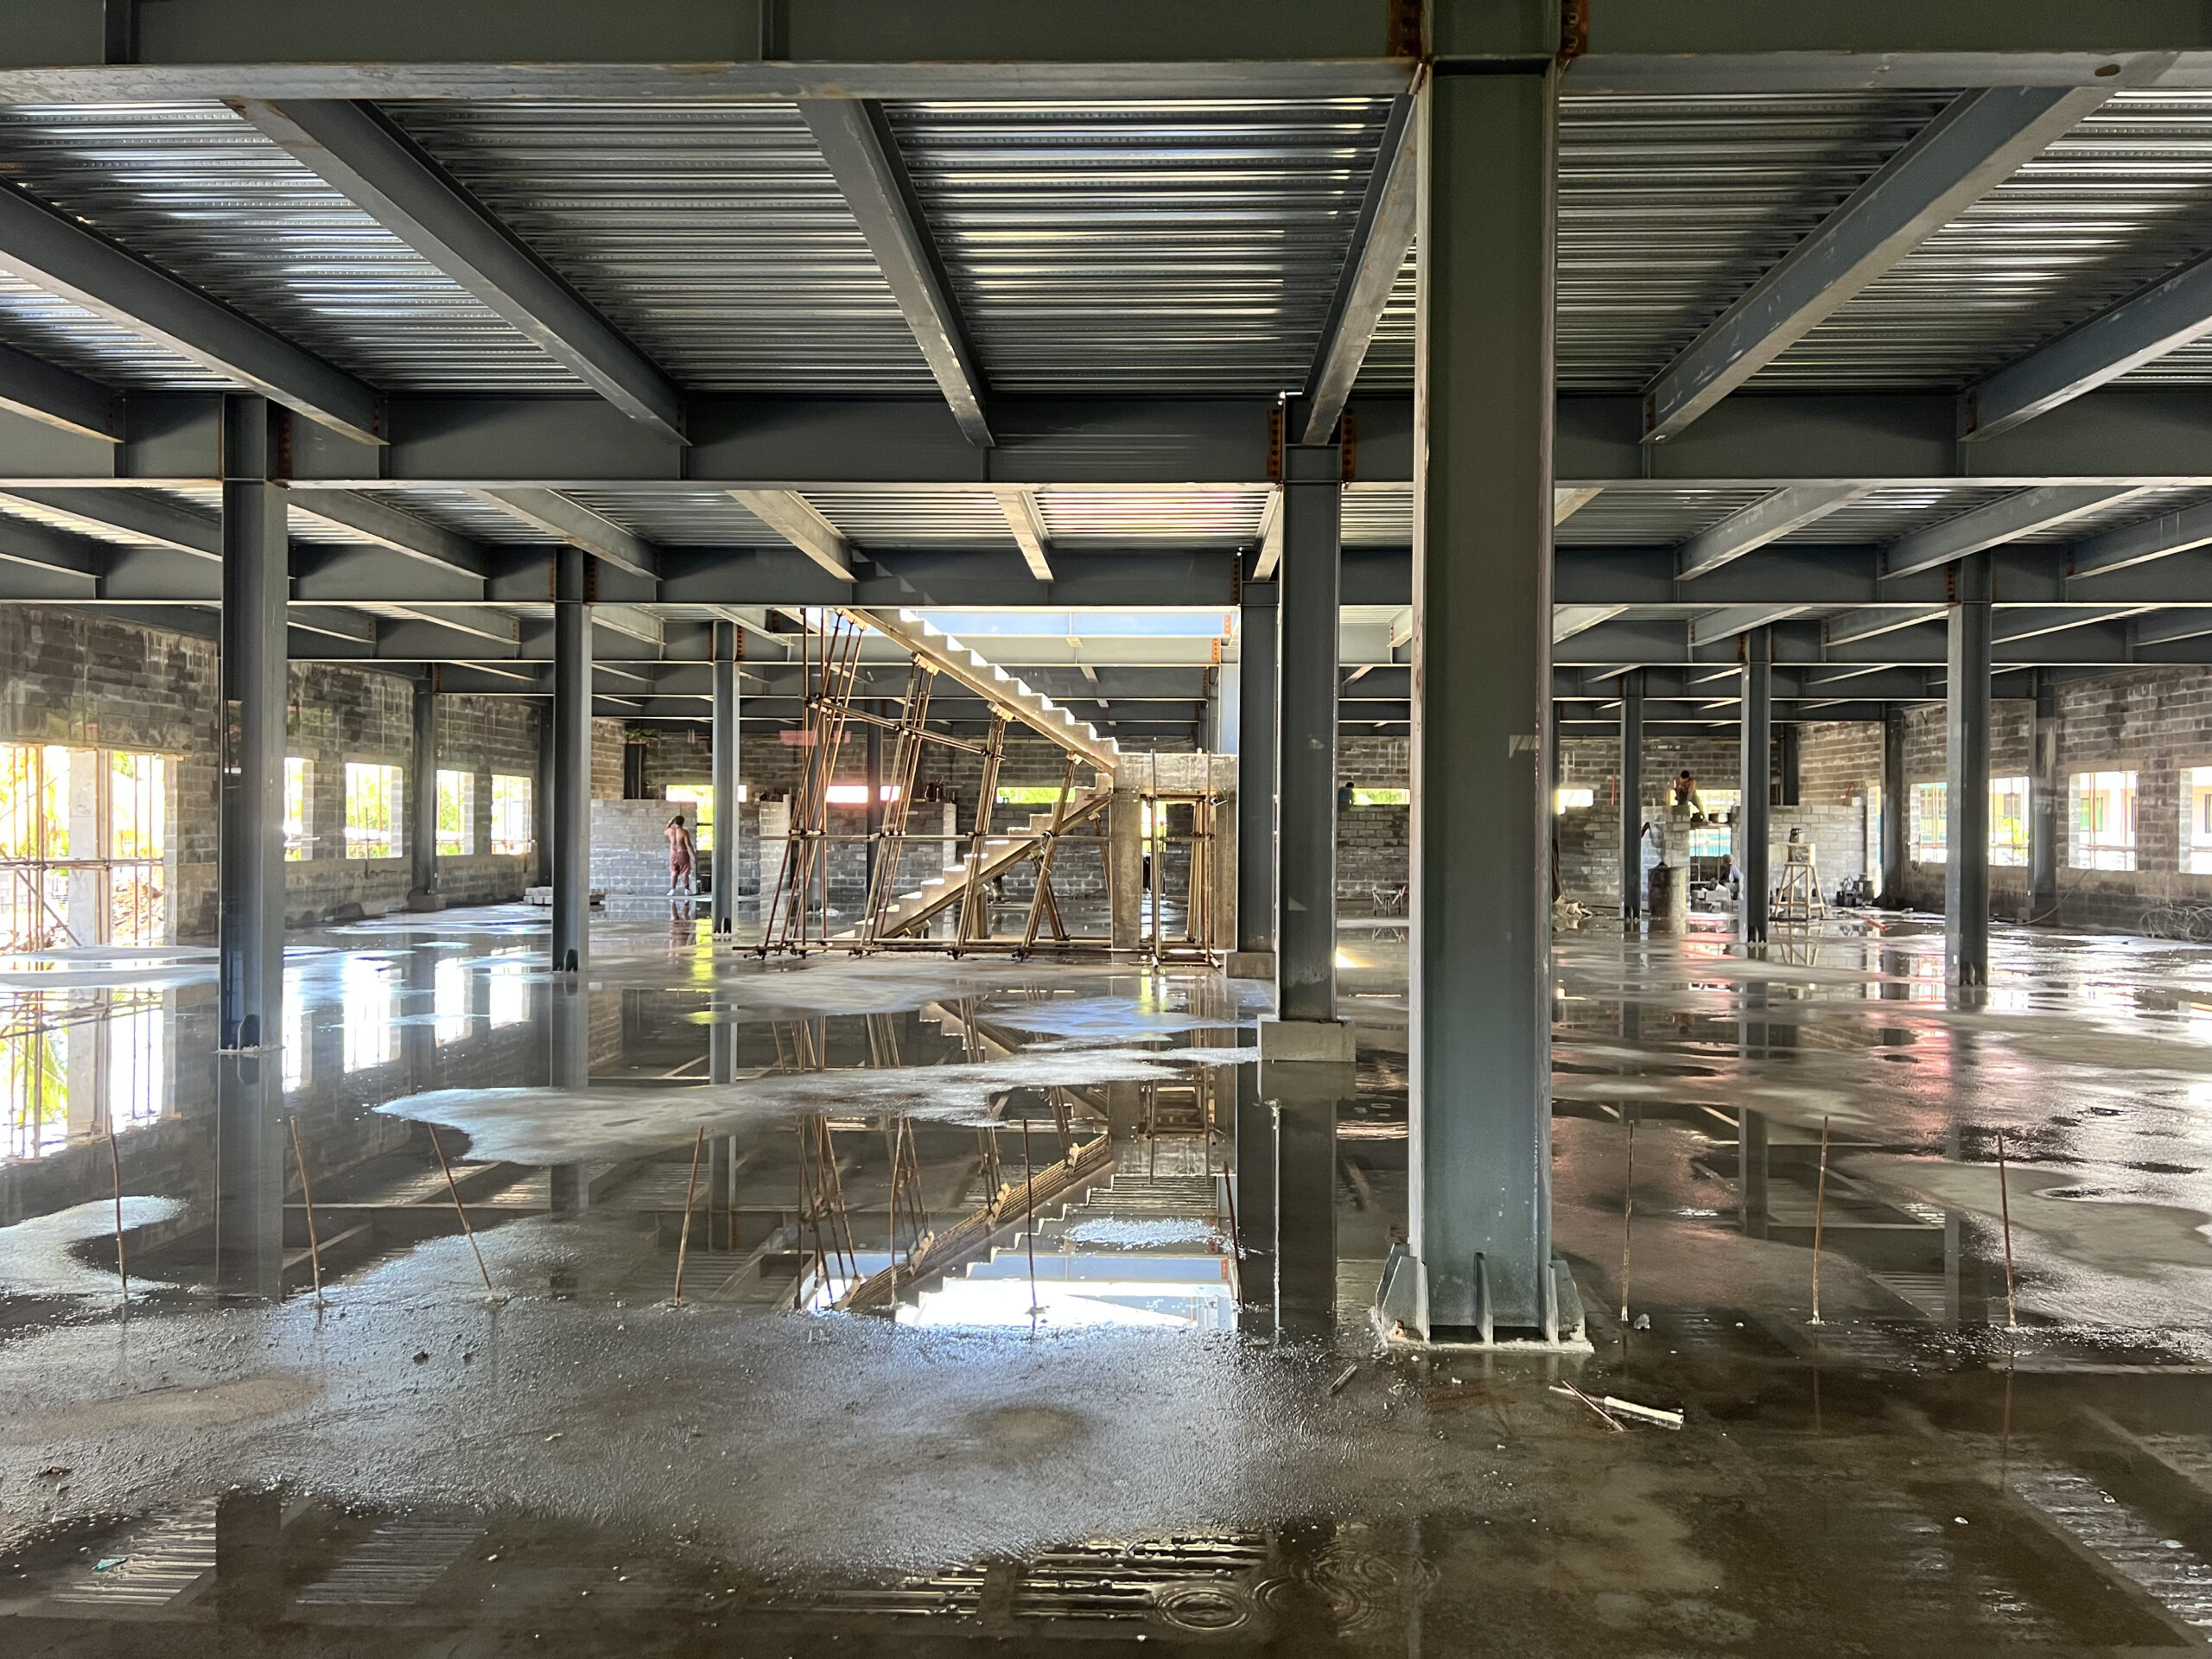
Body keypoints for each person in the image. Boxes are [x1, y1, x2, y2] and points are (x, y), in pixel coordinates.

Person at [665, 813, 697, 896]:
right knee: (685, 873)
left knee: (674, 872)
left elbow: (665, 831)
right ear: (683, 822)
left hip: (673, 854)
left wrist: (669, 823)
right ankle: (686, 890)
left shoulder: (670, 831)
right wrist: (694, 856)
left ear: (675, 822)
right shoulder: (684, 832)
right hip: (682, 853)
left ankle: (672, 890)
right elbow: (688, 845)